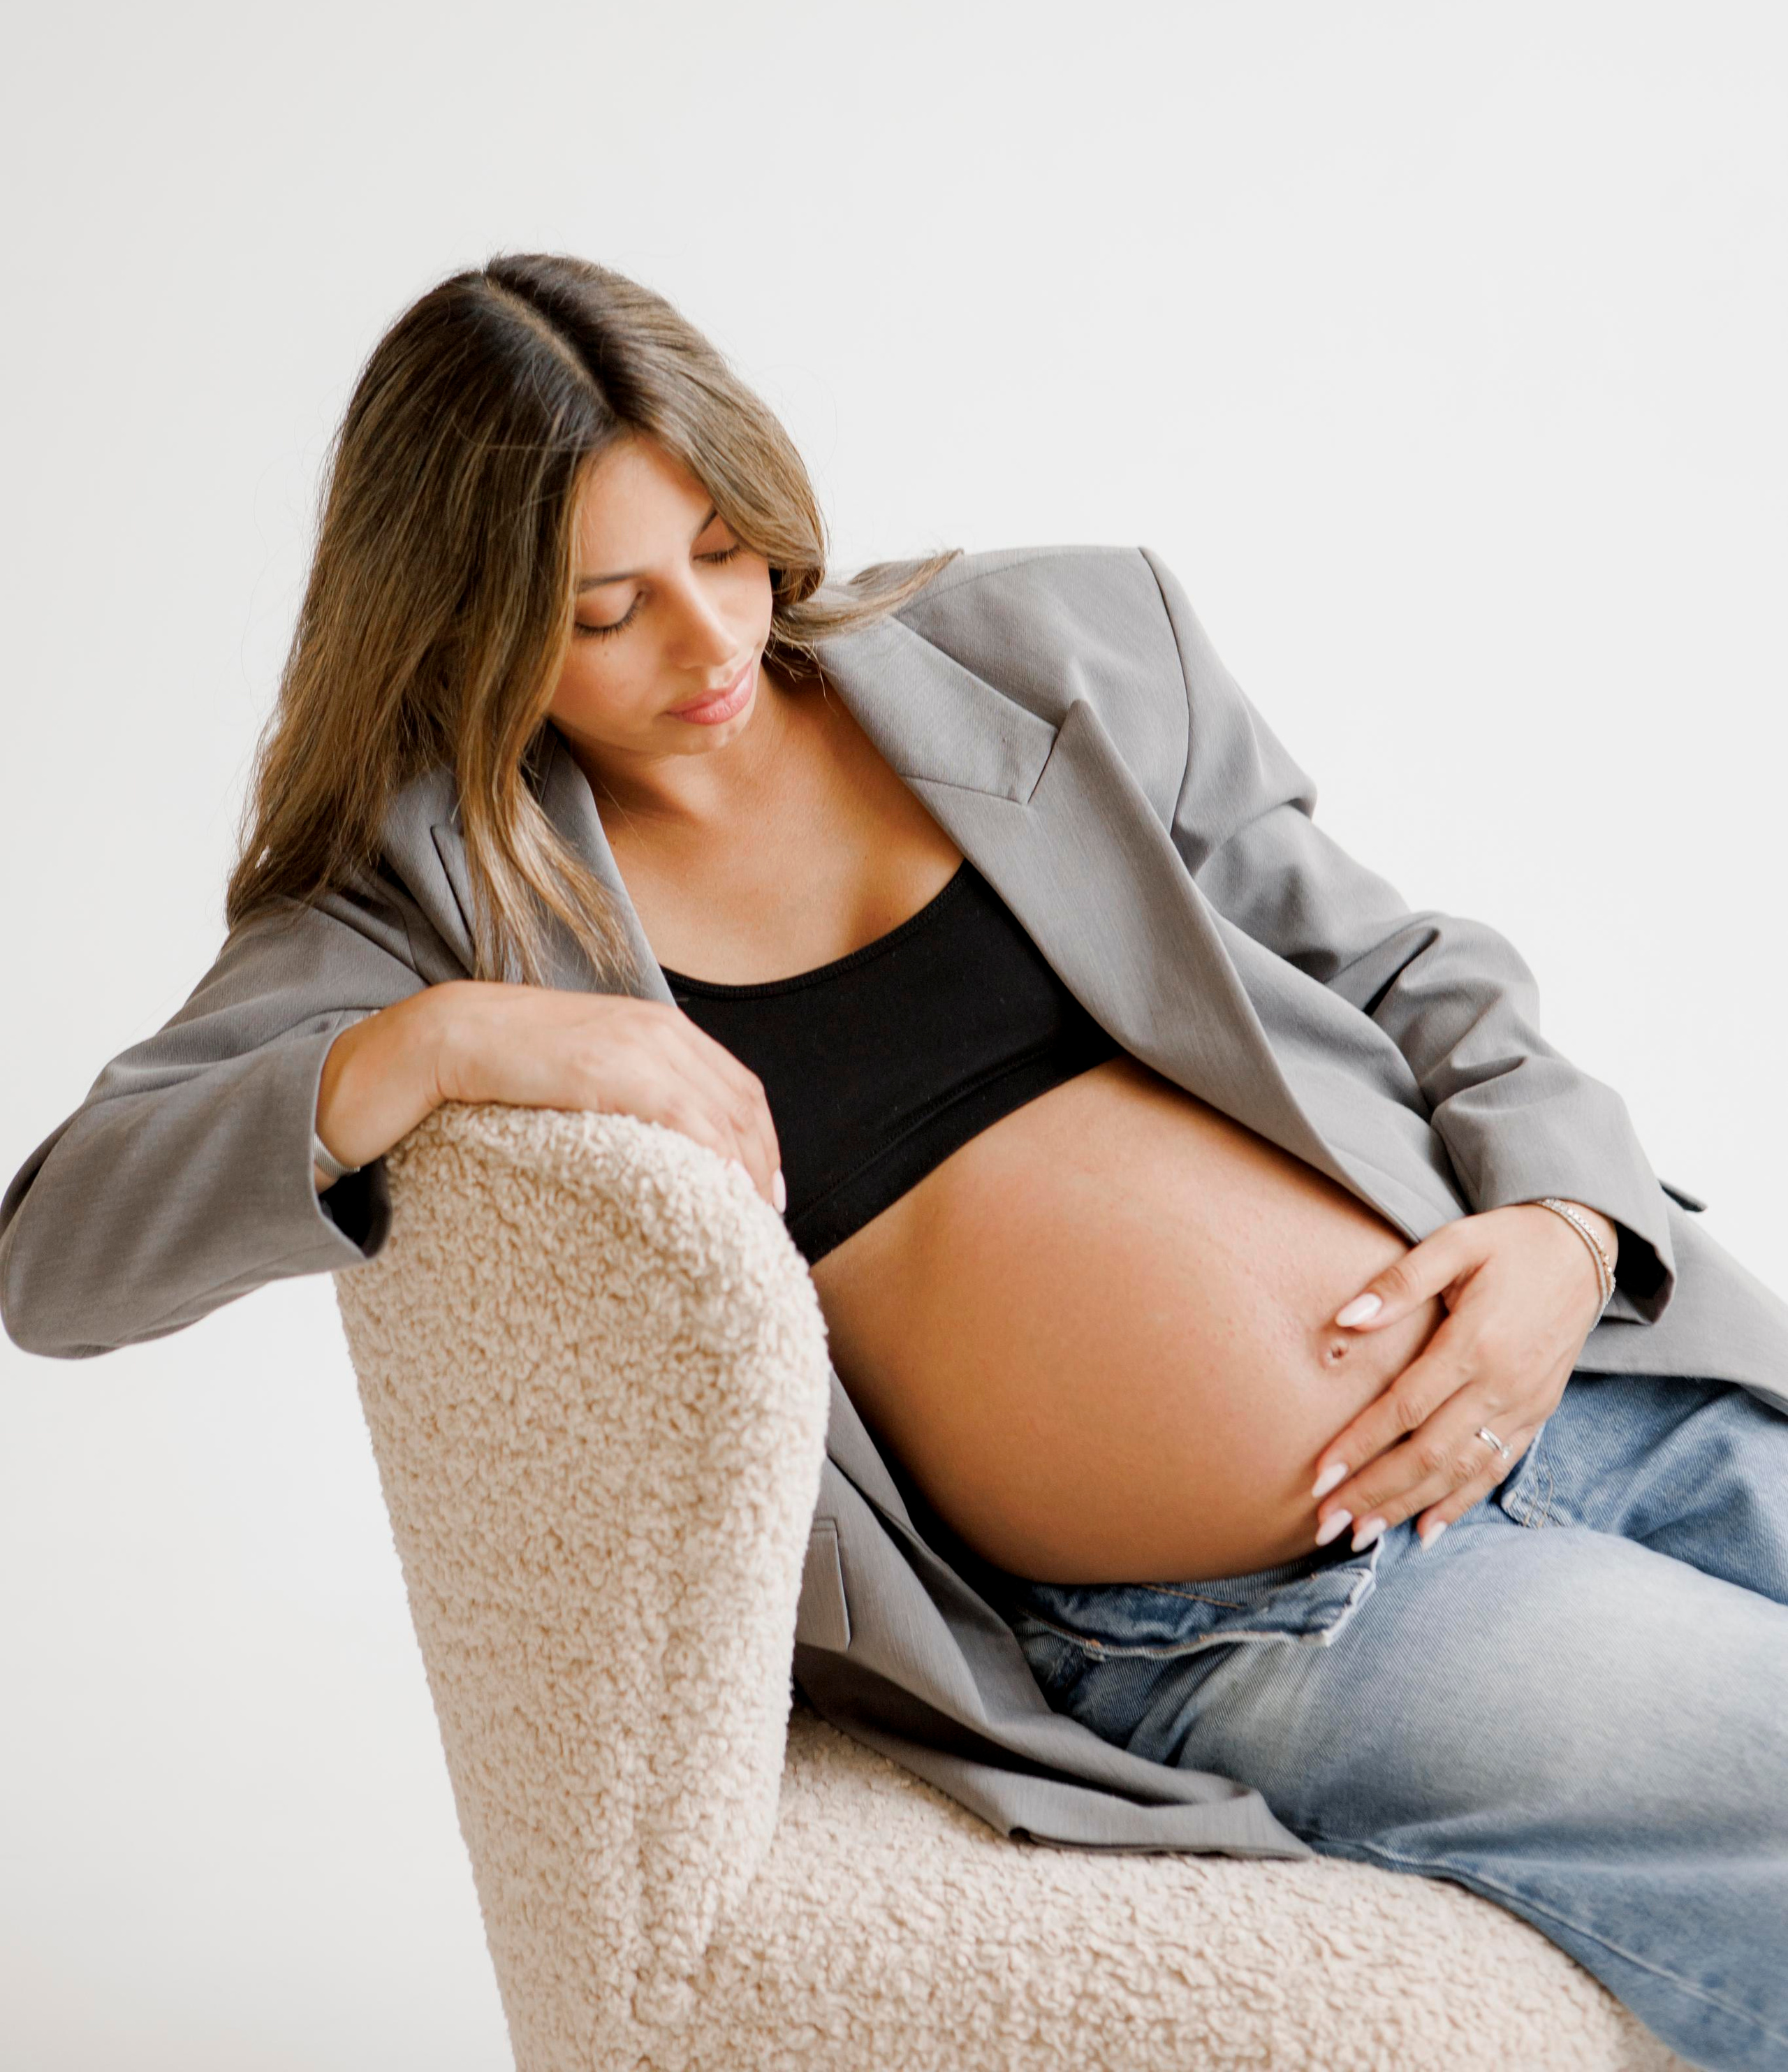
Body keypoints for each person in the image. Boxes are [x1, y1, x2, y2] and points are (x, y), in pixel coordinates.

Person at [6, 252, 1786, 2071]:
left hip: (1591, 1381)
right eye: (606, 609)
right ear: (466, 625)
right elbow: (55, 1256)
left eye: (723, 548)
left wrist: (1565, 1229)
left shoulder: (1062, 644)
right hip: (1282, 1604)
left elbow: (1417, 976)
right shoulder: (438, 905)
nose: (710, 643)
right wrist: (438, 1039)